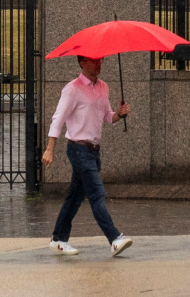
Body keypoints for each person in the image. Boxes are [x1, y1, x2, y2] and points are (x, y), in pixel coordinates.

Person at [42, 54, 132, 257]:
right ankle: (115, 238)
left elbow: (108, 117)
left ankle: (58, 239)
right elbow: (58, 118)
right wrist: (50, 148)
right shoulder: (72, 89)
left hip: (93, 151)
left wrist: (120, 114)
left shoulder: (103, 88)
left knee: (74, 198)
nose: (98, 63)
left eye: (100, 60)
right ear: (82, 62)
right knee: (96, 192)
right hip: (78, 149)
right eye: (93, 60)